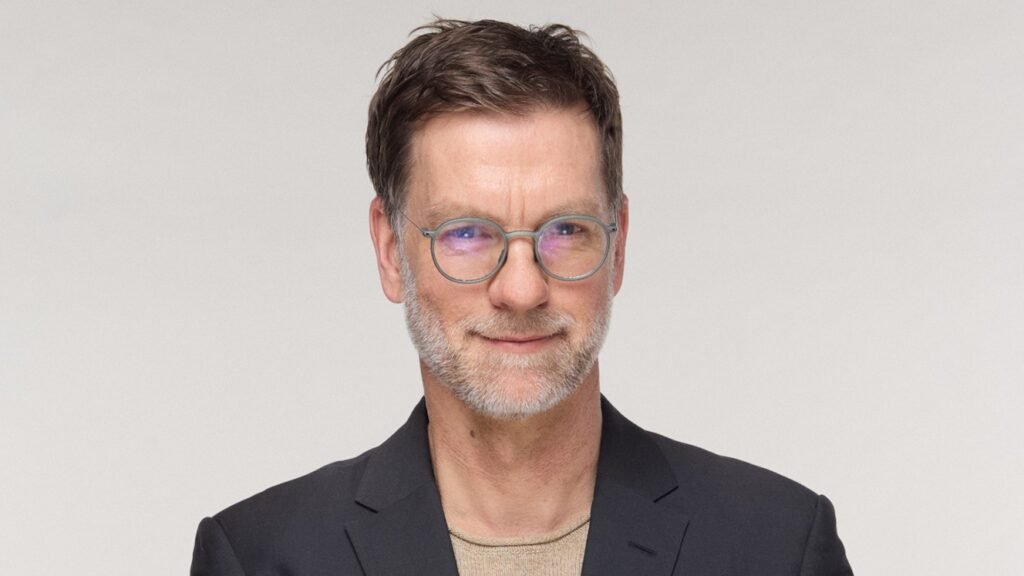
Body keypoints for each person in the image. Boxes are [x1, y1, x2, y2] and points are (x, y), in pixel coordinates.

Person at [190, 19, 852, 576]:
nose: (522, 288)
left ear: (618, 246)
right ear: (391, 251)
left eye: (565, 230)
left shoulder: (777, 547)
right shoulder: (260, 557)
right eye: (466, 233)